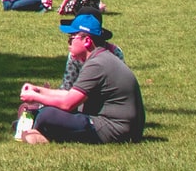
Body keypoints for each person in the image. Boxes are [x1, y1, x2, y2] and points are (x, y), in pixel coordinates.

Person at [17, 16, 144, 144]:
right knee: (44, 111)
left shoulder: (97, 65)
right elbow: (71, 94)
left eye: (71, 38)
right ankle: (38, 129)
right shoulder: (101, 58)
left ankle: (39, 131)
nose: (68, 43)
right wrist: (38, 90)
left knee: (47, 115)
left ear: (87, 41)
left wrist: (35, 98)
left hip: (114, 130)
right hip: (124, 128)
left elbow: (67, 103)